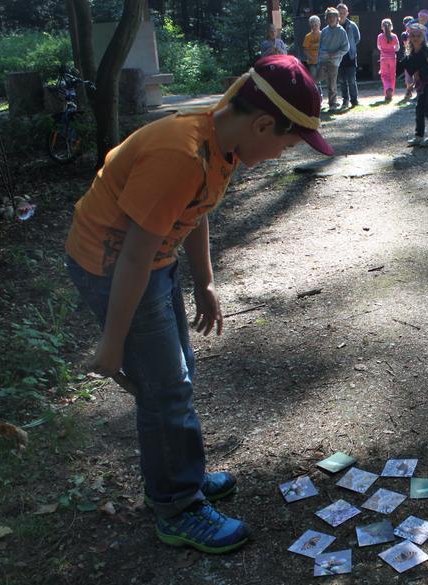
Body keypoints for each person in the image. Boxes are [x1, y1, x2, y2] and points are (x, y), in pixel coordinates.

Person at [64, 55, 333, 555]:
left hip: (151, 264)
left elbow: (195, 211)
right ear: (263, 124)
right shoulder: (182, 153)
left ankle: (177, 473)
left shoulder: (220, 145)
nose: (278, 154)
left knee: (176, 374)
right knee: (165, 389)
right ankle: (176, 505)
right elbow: (133, 256)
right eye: (285, 145)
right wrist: (113, 343)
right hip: (115, 268)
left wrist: (205, 282)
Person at [319, 7, 350, 111]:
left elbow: (346, 47)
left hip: (334, 62)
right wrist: (324, 54)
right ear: (326, 19)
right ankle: (316, 100)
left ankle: (332, 104)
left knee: (332, 83)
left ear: (337, 18)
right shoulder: (324, 31)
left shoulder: (341, 31)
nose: (331, 19)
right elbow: (320, 47)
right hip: (323, 60)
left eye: (333, 17)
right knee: (316, 79)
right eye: (329, 17)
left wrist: (336, 54)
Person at [336, 3, 361, 109]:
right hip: (338, 57)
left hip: (350, 56)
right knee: (342, 80)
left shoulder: (352, 25)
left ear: (347, 13)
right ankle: (345, 100)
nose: (342, 15)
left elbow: (357, 38)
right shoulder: (334, 26)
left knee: (351, 80)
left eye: (344, 12)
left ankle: (354, 100)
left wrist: (351, 47)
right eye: (340, 13)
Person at [377, 19, 400, 101]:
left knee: (384, 75)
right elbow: (397, 48)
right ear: (391, 26)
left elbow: (379, 47)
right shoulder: (394, 36)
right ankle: (391, 91)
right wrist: (392, 49)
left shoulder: (380, 36)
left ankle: (387, 88)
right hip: (392, 58)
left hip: (383, 58)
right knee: (392, 75)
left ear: (382, 27)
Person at [399, 16, 416, 100]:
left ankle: (413, 92)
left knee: (414, 75)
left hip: (414, 55)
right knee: (409, 76)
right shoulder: (405, 34)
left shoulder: (417, 33)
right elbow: (407, 45)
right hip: (409, 55)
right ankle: (409, 92)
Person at [301, 15, 322, 81]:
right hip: (312, 62)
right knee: (313, 78)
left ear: (319, 24)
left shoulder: (323, 34)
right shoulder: (308, 36)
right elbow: (305, 50)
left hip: (322, 61)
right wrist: (311, 57)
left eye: (316, 25)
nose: (314, 27)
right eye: (312, 26)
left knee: (322, 77)